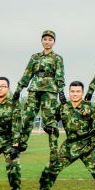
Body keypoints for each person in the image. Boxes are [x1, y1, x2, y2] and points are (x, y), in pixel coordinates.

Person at [29, 81, 95, 190]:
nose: (75, 94)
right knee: (51, 168)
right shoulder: (63, 107)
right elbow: (52, 120)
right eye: (72, 91)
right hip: (69, 146)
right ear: (69, 92)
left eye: (78, 91)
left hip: (87, 145)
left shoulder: (89, 107)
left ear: (82, 93)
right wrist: (48, 126)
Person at [14, 30, 66, 164]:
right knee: (27, 117)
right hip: (34, 89)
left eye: (50, 39)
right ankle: (21, 144)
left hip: (49, 91)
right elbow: (27, 73)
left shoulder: (57, 58)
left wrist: (61, 92)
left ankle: (54, 152)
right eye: (45, 39)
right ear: (41, 41)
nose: (47, 42)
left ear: (54, 42)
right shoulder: (35, 57)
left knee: (50, 122)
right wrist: (19, 88)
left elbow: (59, 76)